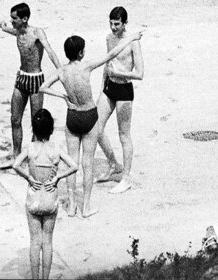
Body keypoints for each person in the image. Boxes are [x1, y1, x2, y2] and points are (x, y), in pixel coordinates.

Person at [41, 29, 143, 217]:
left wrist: (63, 96)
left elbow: (43, 87)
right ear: (81, 52)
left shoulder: (62, 71)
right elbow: (111, 55)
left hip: (72, 117)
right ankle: (86, 207)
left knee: (72, 162)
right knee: (87, 164)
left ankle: (71, 205)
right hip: (89, 116)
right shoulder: (86, 66)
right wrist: (131, 38)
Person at [10, 109, 76, 280]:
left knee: (34, 241)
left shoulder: (31, 148)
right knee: (47, 241)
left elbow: (16, 165)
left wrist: (29, 177)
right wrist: (57, 177)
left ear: (33, 129)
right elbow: (74, 165)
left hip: (34, 199)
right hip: (50, 198)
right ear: (52, 129)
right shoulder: (55, 149)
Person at [0, 3, 61, 159]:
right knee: (14, 118)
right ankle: (17, 155)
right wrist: (5, 28)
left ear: (24, 19)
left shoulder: (37, 32)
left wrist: (62, 71)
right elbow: (15, 32)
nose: (12, 21)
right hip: (22, 77)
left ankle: (34, 157)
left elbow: (50, 51)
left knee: (37, 123)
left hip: (35, 80)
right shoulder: (19, 31)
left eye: (14, 18)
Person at [94, 5, 144, 195]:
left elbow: (139, 74)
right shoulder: (109, 38)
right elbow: (107, 65)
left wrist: (119, 73)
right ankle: (114, 164)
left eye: (117, 24)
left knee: (124, 135)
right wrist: (101, 90)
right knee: (96, 129)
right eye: (111, 23)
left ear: (125, 24)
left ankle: (126, 178)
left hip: (124, 89)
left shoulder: (133, 43)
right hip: (109, 88)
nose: (113, 27)